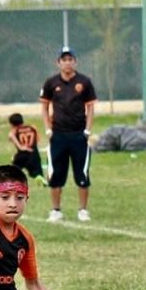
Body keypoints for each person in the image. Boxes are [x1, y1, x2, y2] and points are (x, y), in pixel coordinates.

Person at [40, 46, 97, 223]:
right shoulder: (51, 83)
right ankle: (56, 210)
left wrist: (87, 130)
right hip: (58, 135)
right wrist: (48, 128)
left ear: (75, 61)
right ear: (58, 63)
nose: (67, 63)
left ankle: (83, 210)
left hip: (79, 134)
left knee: (82, 173)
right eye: (63, 60)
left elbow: (90, 107)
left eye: (70, 59)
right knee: (56, 173)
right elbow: (44, 106)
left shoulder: (84, 82)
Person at [8, 113, 48, 186]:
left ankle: (14, 183)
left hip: (22, 154)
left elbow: (13, 140)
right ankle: (40, 178)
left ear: (12, 124)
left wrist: (21, 148)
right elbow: (38, 139)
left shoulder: (14, 131)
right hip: (34, 153)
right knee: (37, 171)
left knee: (14, 170)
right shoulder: (32, 127)